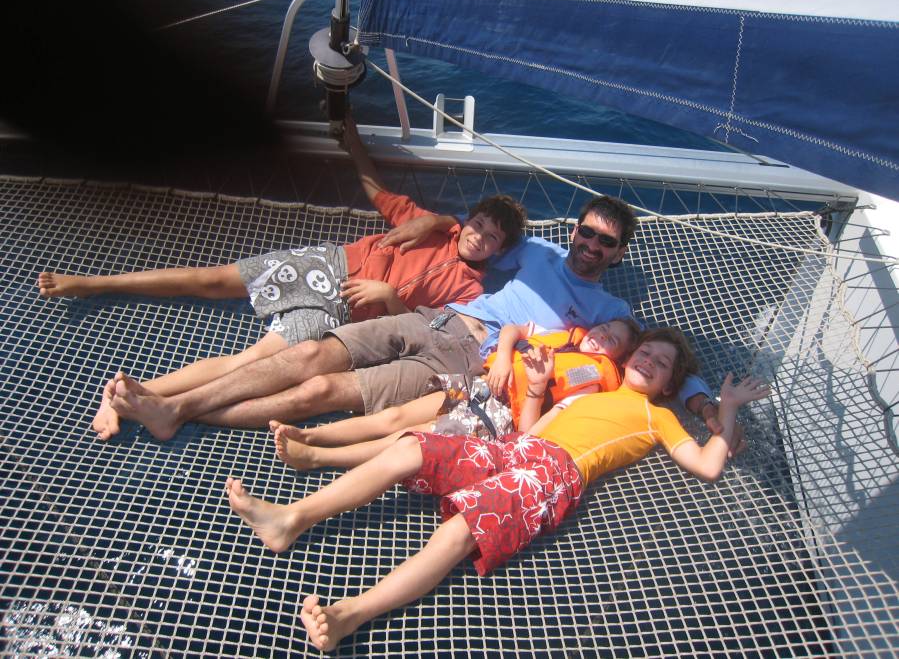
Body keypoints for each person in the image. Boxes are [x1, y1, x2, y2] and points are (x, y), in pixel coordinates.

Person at [224, 327, 770, 651]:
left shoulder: (657, 416)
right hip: (517, 449)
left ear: (670, 384)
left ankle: (351, 615)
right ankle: (292, 517)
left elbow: (707, 466)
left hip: (551, 475)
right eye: (647, 354)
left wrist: (725, 410)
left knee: (462, 530)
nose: (650, 362)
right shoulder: (586, 394)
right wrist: (538, 385)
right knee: (411, 447)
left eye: (662, 364)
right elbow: (531, 428)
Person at [46, 114, 525, 440]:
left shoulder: (471, 290)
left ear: (500, 250)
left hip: (346, 313)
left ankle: (136, 395)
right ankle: (94, 283)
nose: (479, 238)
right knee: (213, 280)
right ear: (468, 219)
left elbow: (419, 325)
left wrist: (387, 296)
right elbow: (376, 190)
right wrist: (352, 140)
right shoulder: (430, 223)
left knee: (252, 361)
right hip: (330, 264)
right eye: (479, 225)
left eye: (492, 238)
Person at [104, 194, 721, 442]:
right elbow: (473, 235)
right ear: (575, 230)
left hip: (467, 364)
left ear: (619, 253)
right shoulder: (535, 252)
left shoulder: (614, 313)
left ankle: (176, 411)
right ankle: (173, 408)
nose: (590, 245)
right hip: (435, 317)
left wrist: (704, 405)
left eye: (605, 242)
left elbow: (662, 359)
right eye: (586, 232)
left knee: (322, 392)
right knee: (310, 354)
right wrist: (430, 221)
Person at [270, 317, 641, 470]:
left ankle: (318, 457)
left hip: (500, 416)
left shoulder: (594, 381)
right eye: (605, 328)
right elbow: (512, 330)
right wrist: (504, 357)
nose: (602, 337)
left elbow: (542, 426)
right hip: (482, 384)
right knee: (395, 415)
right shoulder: (566, 334)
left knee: (409, 435)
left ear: (618, 358)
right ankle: (312, 435)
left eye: (612, 341)